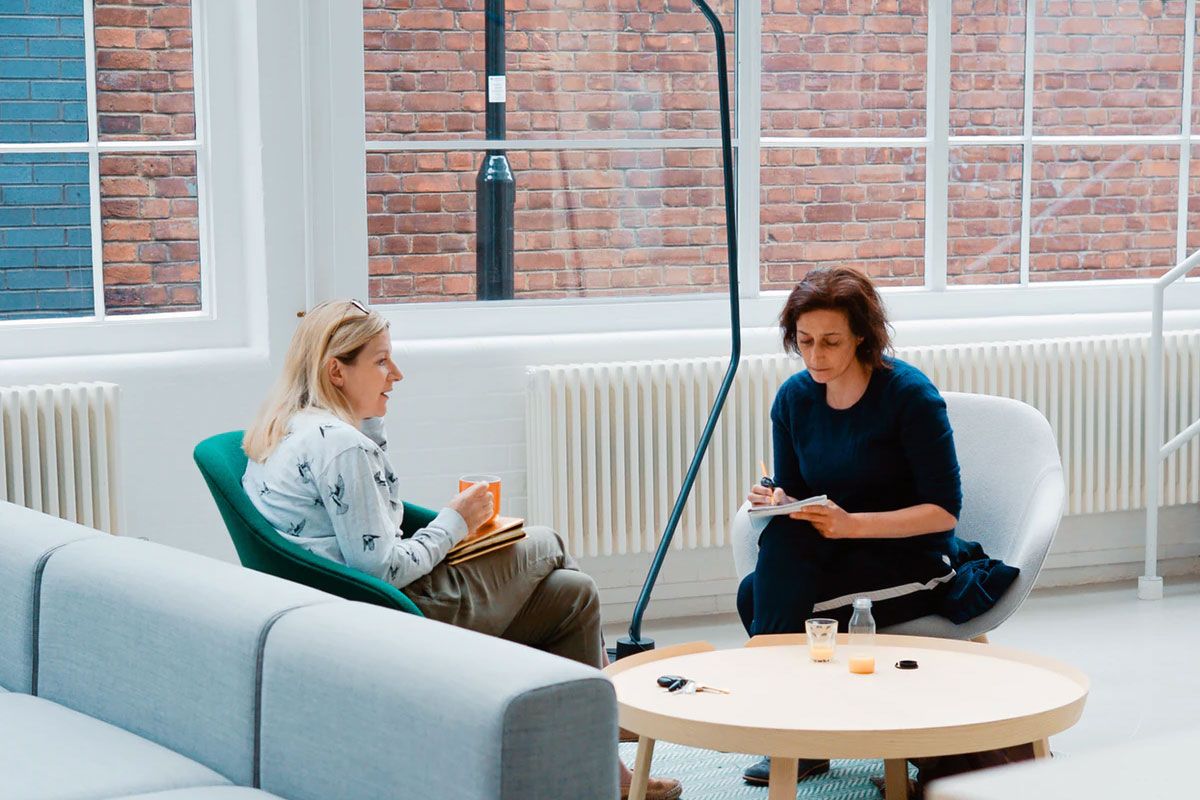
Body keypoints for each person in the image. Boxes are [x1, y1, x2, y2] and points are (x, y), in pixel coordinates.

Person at [242, 299, 681, 800]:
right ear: (335, 371)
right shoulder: (343, 447)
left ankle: (604, 767)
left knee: (573, 594)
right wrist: (455, 521)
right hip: (396, 614)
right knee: (548, 542)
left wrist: (375, 431)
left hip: (345, 612)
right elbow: (382, 567)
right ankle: (604, 720)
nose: (397, 374)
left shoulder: (294, 428)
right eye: (382, 361)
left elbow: (370, 528)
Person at [736, 267, 1018, 789]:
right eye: (804, 342)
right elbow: (797, 494)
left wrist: (851, 524)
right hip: (840, 552)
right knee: (762, 578)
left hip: (914, 557)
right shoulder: (795, 399)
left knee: (761, 598)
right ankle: (802, 731)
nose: (815, 355)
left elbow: (944, 511)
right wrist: (775, 497)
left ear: (862, 334)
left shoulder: (909, 396)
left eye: (830, 341)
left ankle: (791, 729)